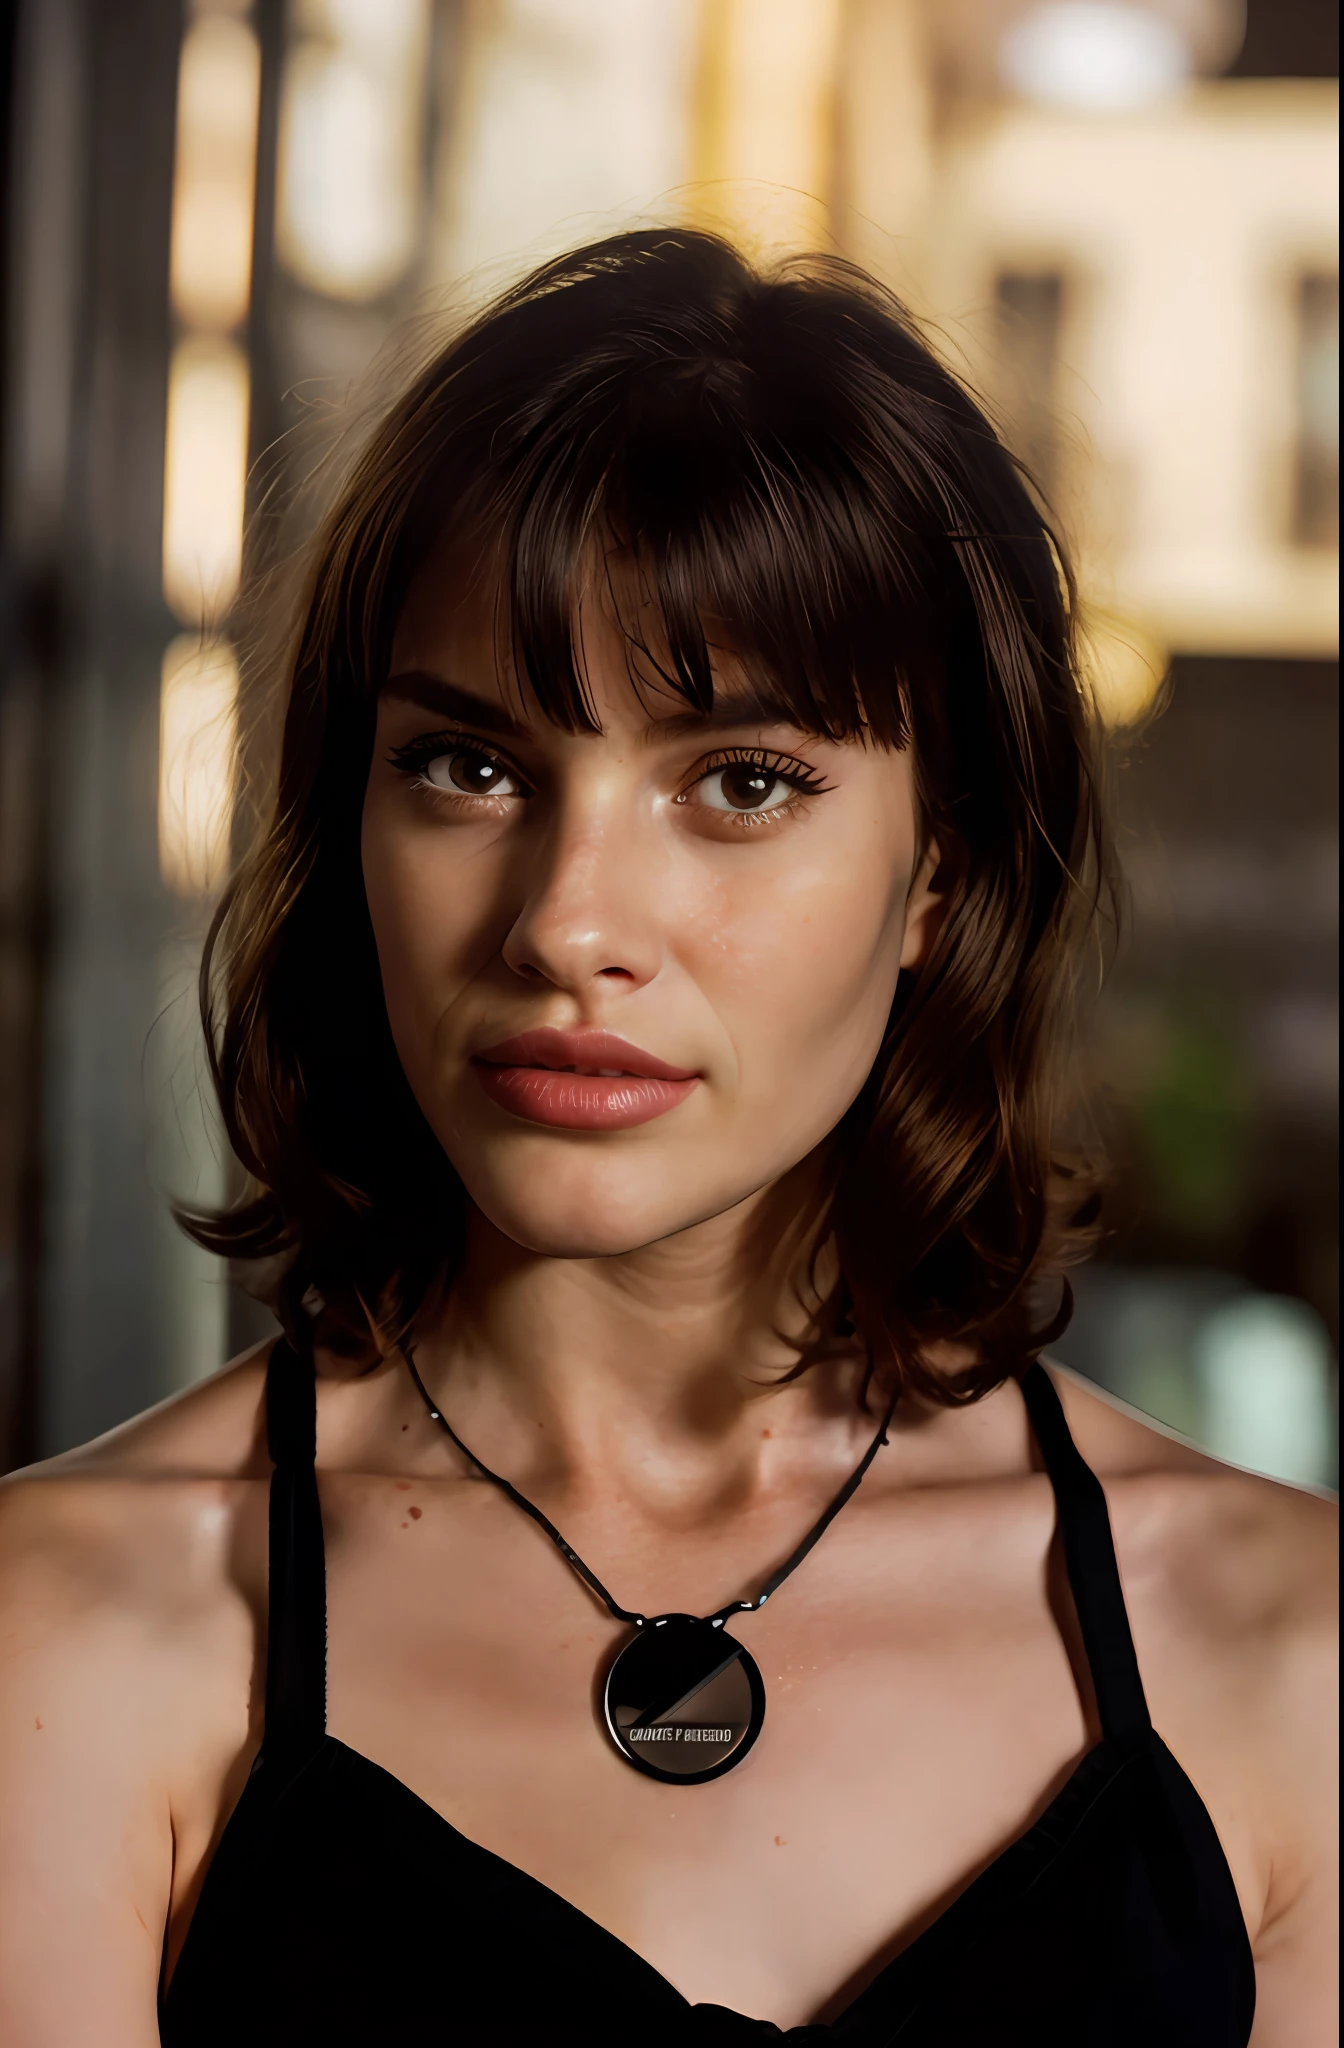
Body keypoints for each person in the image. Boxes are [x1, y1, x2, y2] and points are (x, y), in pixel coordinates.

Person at [0, 231, 1334, 2047]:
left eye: (743, 784)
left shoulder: (1287, 1654)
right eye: (467, 766)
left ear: (942, 867)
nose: (565, 922)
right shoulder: (62, 1636)